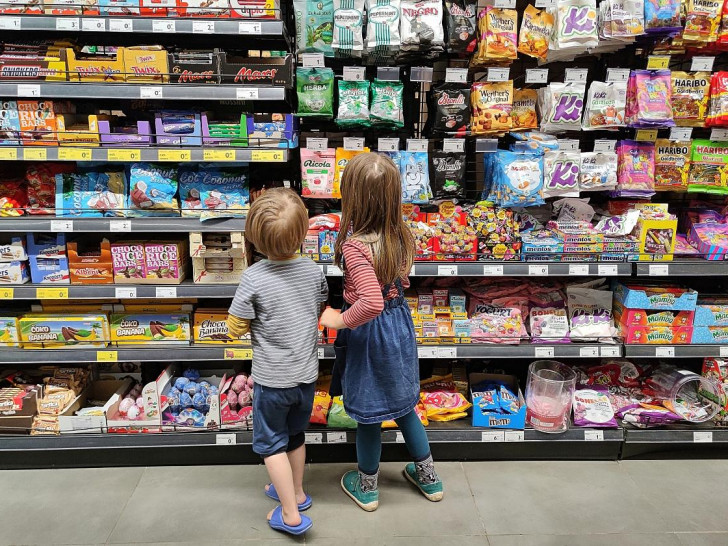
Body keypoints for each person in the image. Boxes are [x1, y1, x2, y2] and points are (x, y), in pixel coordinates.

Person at [320, 153, 444, 512]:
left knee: (370, 414)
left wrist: (336, 319)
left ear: (353, 196)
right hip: (399, 328)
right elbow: (401, 279)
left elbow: (370, 303)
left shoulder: (355, 247)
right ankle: (429, 478)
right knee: (405, 406)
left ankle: (368, 486)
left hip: (369, 335)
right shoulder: (400, 233)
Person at [227, 187, 328, 536]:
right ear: (303, 234)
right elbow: (317, 308)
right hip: (306, 377)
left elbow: (236, 326)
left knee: (271, 445)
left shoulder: (254, 277)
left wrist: (243, 325)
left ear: (254, 238)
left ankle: (290, 515)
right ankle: (297, 493)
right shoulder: (314, 272)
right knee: (296, 436)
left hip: (272, 381)